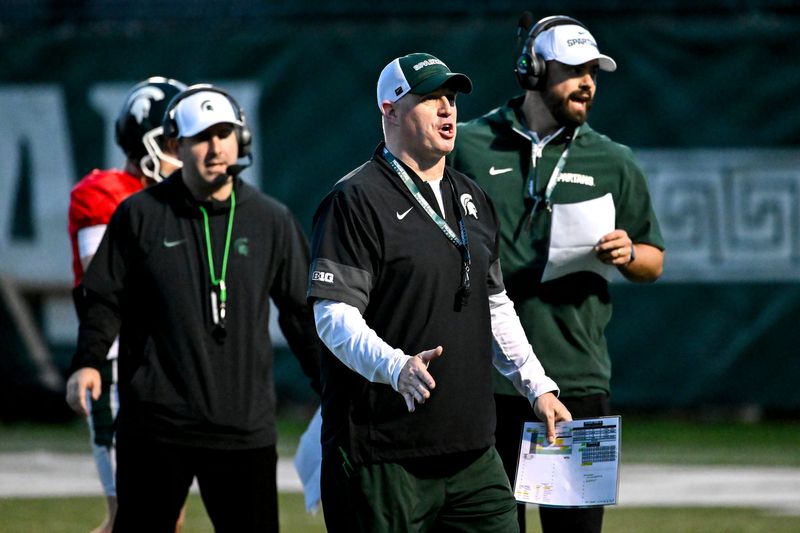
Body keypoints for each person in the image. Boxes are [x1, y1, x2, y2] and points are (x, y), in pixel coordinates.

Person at [307, 52, 572, 533]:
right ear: (389, 109)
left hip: (473, 450)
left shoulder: (473, 197)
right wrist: (395, 366)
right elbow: (333, 317)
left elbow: (495, 305)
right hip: (385, 454)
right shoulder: (356, 198)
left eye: (450, 98)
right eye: (430, 99)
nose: (448, 110)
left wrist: (538, 387)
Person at [66, 84, 322, 532]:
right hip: (154, 428)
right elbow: (104, 296)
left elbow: (302, 315)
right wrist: (88, 361)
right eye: (202, 136)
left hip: (244, 428)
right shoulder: (139, 215)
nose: (215, 147)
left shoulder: (272, 220)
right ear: (174, 146)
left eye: (224, 134)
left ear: (240, 139)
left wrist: (332, 386)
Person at [449, 13, 666, 533]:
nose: (588, 82)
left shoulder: (615, 159)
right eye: (573, 69)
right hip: (488, 384)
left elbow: (654, 258)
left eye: (593, 70)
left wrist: (628, 252)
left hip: (577, 381)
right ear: (533, 70)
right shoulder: (469, 145)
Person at [67, 76, 187, 533]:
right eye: (176, 142)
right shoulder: (103, 194)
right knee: (137, 517)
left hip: (162, 371)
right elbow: (110, 289)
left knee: (160, 517)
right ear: (147, 144)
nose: (186, 152)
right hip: (119, 371)